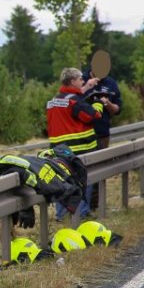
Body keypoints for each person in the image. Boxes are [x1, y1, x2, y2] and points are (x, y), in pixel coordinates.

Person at [46, 67, 101, 219]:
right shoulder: (74, 102)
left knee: (62, 181)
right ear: (72, 81)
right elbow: (93, 116)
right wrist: (98, 102)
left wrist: (86, 88)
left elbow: (70, 102)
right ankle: (82, 213)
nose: (83, 80)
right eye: (80, 79)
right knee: (83, 181)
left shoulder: (53, 101)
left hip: (58, 150)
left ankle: (61, 215)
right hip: (79, 148)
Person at [81, 65, 121, 212]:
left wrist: (107, 103)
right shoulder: (81, 80)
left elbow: (117, 109)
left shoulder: (111, 84)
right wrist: (86, 87)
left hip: (102, 133)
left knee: (99, 170)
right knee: (83, 171)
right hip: (83, 135)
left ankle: (94, 206)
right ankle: (80, 207)